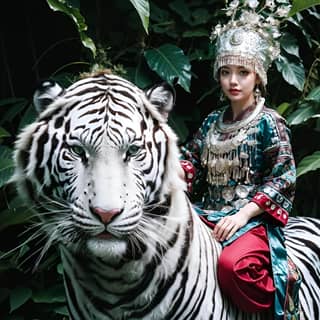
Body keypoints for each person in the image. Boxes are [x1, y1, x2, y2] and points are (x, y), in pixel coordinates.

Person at [180, 1, 301, 319]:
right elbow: (190, 161)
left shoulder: (269, 122)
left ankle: (276, 307)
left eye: (243, 72)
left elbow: (283, 177)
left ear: (258, 76)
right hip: (206, 213)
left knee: (233, 266)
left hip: (250, 222)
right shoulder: (211, 122)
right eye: (225, 72)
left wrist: (243, 215)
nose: (233, 80)